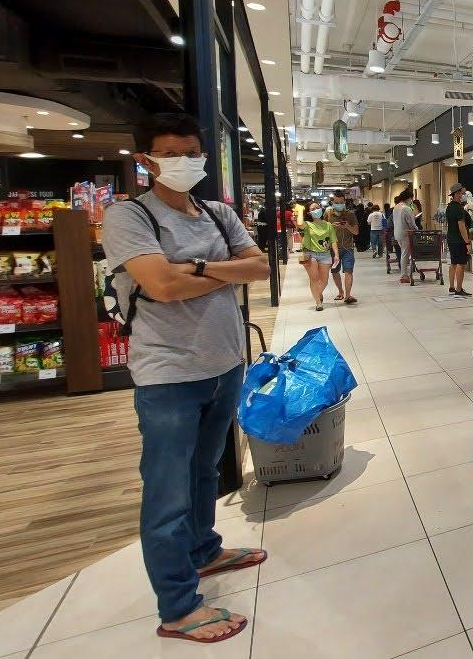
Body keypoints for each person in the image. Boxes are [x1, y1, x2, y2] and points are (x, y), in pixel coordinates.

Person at [101, 113, 270, 643]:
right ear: (146, 161)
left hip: (225, 364)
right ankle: (177, 606)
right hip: (168, 373)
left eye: (191, 152)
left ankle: (203, 551)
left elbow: (260, 267)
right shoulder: (129, 217)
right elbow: (161, 287)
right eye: (170, 154)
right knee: (167, 491)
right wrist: (219, 271)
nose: (184, 161)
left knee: (204, 473)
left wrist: (192, 267)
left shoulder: (218, 213)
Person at [298, 200, 338, 310]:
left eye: (317, 207)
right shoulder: (308, 225)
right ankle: (318, 302)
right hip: (310, 254)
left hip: (325, 254)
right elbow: (300, 224)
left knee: (324, 280)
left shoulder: (328, 225)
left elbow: (333, 240)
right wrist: (300, 210)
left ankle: (318, 293)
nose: (316, 210)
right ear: (309, 213)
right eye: (313, 209)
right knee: (314, 279)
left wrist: (336, 255)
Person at [326, 191, 359, 305]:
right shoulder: (328, 215)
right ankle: (340, 291)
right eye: (336, 202)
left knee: (348, 270)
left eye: (341, 202)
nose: (339, 204)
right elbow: (324, 232)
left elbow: (356, 232)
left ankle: (348, 295)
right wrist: (331, 227)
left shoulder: (350, 215)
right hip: (333, 248)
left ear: (344, 202)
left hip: (348, 248)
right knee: (335, 271)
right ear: (332, 202)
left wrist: (347, 226)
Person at [445, 183, 473, 296]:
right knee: (461, 264)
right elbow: (461, 226)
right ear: (456, 194)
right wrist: (467, 242)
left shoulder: (449, 207)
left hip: (451, 238)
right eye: (462, 193)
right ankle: (459, 289)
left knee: (453, 263)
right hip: (459, 240)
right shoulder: (459, 208)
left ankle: (452, 286)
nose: (464, 195)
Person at [392, 193, 417, 284]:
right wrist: (417, 230)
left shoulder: (396, 207)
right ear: (408, 198)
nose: (411, 201)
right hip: (406, 234)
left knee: (404, 253)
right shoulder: (406, 208)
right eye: (411, 199)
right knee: (405, 254)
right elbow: (411, 223)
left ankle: (404, 274)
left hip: (397, 233)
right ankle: (404, 276)